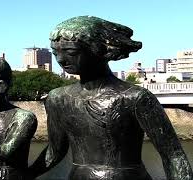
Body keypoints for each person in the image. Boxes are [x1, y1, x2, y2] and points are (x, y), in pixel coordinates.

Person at [29, 16, 193, 180]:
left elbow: (173, 155)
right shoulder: (58, 98)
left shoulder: (135, 97)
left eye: (71, 52)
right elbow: (53, 152)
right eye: (55, 52)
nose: (60, 60)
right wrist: (24, 174)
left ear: (99, 49)